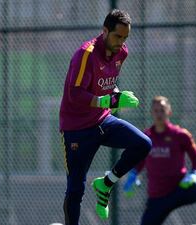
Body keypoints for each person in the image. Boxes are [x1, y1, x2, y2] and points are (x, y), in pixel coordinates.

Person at [59, 9, 152, 225]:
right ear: (104, 31)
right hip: (77, 129)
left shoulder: (122, 53)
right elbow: (75, 94)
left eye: (125, 37)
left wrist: (118, 95)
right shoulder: (86, 54)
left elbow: (107, 84)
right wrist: (107, 101)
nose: (121, 42)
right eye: (117, 36)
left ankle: (106, 184)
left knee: (143, 144)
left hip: (102, 121)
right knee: (75, 188)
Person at [123, 96, 196, 225]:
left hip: (179, 189)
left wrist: (194, 174)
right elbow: (140, 160)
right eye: (156, 110)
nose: (159, 114)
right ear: (151, 113)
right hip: (157, 196)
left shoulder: (180, 135)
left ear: (169, 111)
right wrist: (133, 174)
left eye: (162, 110)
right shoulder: (146, 137)